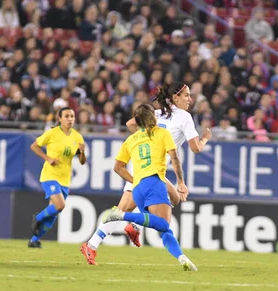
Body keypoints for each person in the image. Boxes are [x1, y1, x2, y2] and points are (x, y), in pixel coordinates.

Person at [80, 82, 212, 265]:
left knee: (173, 198)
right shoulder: (184, 117)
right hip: (147, 169)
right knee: (125, 209)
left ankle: (133, 226)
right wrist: (205, 138)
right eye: (187, 95)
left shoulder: (157, 114)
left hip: (153, 169)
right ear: (175, 97)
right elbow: (195, 148)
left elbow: (130, 123)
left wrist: (142, 137)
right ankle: (93, 244)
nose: (190, 99)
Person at [103, 104, 197, 271]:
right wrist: (180, 181)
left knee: (163, 229)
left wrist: (135, 180)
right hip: (155, 183)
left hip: (138, 189)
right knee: (162, 224)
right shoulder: (162, 133)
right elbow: (174, 159)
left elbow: (118, 167)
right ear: (153, 116)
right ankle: (122, 215)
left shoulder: (131, 139)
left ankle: (182, 258)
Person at [28, 107, 86, 248]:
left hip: (65, 179)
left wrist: (83, 152)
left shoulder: (77, 137)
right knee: (60, 205)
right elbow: (34, 146)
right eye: (67, 116)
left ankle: (34, 240)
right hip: (50, 175)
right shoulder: (52, 133)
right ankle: (38, 217)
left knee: (54, 212)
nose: (70, 119)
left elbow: (82, 161)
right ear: (60, 119)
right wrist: (47, 158)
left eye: (72, 116)